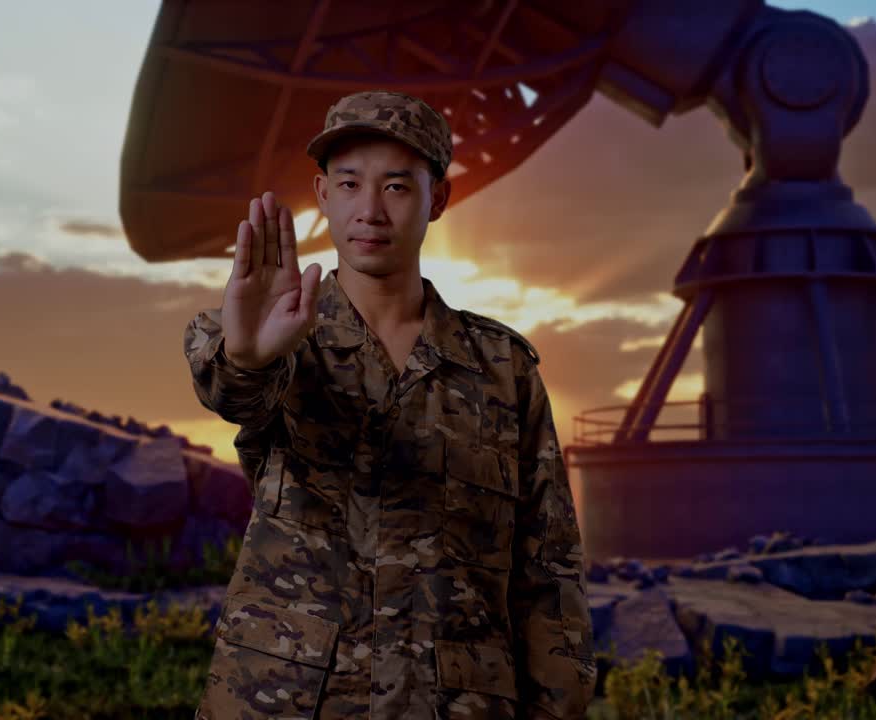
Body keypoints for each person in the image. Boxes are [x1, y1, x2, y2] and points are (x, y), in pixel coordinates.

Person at [184, 89, 595, 719]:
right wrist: (248, 355)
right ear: (322, 196)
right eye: (349, 184)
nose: (370, 210)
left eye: (398, 187)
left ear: (440, 199)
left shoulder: (502, 367)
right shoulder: (272, 339)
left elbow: (549, 571)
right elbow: (235, 394)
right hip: (283, 698)